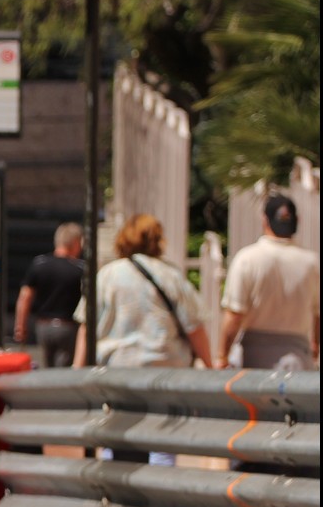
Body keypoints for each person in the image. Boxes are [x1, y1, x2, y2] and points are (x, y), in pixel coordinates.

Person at [74, 213, 212, 469]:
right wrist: (210, 365)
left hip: (117, 372)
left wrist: (77, 370)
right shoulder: (170, 276)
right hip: (164, 374)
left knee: (116, 438)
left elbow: (86, 327)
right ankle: (158, 497)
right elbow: (194, 327)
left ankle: (115, 495)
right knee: (161, 441)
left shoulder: (106, 276)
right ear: (157, 240)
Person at [214, 193, 321, 371]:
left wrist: (222, 356)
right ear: (298, 220)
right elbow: (318, 313)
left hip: (253, 358)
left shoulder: (247, 259)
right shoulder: (312, 263)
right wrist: (315, 345)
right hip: (297, 358)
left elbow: (234, 315)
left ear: (265, 220)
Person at [14, 222, 85, 367]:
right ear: (76, 242)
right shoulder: (80, 269)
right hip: (68, 327)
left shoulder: (39, 264)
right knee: (64, 371)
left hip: (43, 326)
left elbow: (25, 297)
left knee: (47, 367)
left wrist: (20, 326)